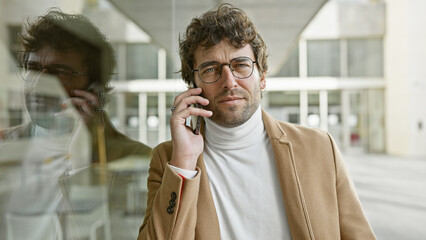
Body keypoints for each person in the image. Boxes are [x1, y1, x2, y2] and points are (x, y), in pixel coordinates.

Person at [138, 3, 375, 240]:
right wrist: (185, 162)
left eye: (240, 65)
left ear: (262, 78)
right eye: (211, 69)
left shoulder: (320, 147)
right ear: (193, 87)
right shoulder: (169, 160)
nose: (229, 81)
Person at [0, 9, 151, 163]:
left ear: (93, 89)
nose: (38, 84)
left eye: (59, 73)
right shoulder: (3, 144)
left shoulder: (140, 158)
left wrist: (92, 151)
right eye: (32, 69)